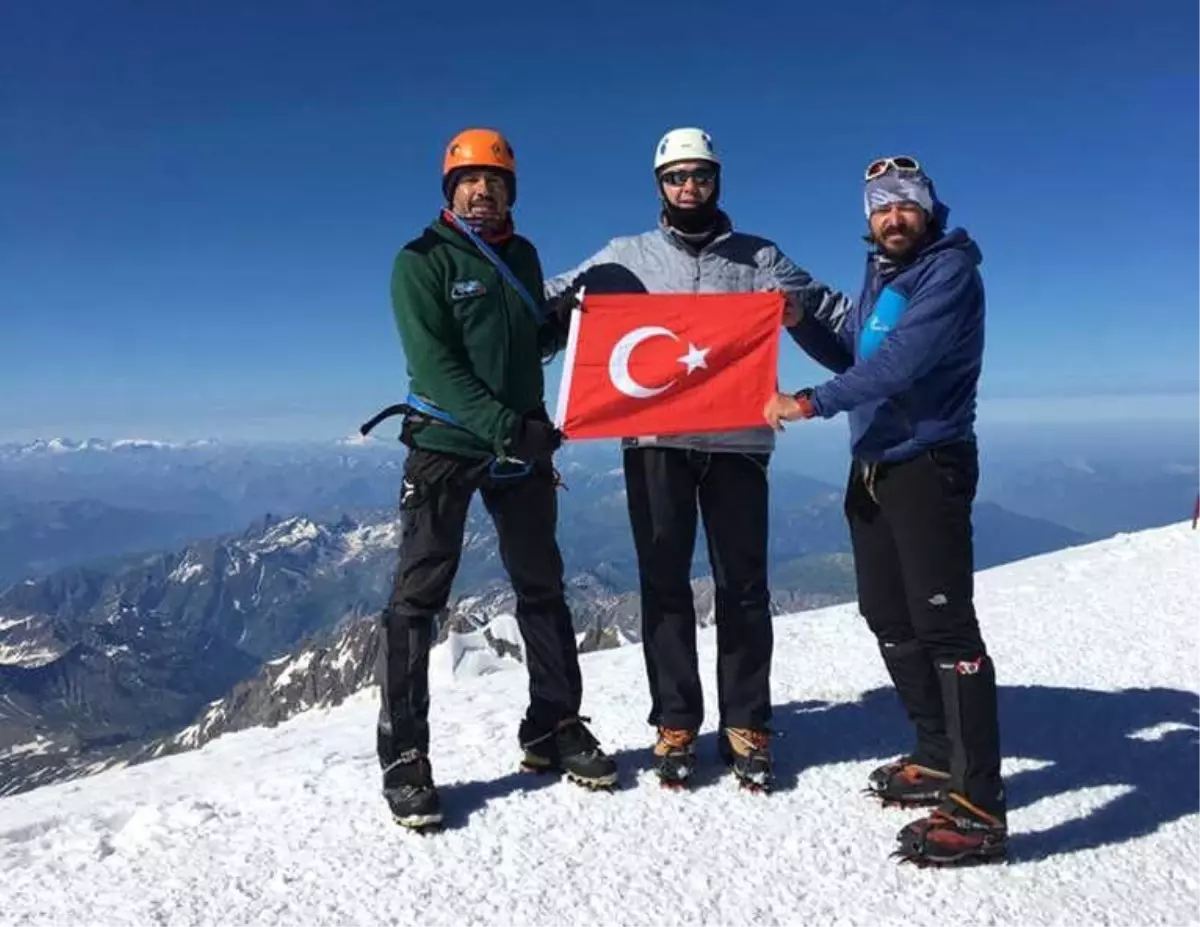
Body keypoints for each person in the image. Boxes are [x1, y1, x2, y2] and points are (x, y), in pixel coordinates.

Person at [543, 127, 852, 792]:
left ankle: (746, 720)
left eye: (701, 176)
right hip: (655, 443)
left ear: (717, 181)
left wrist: (827, 331)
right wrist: (562, 307)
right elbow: (553, 299)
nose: (690, 187)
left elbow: (830, 315)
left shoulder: (759, 257)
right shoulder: (624, 256)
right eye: (677, 177)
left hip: (740, 442)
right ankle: (676, 721)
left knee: (744, 585)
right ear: (660, 185)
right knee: (664, 584)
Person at [364, 128, 618, 832]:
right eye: (469, 181)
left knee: (542, 584)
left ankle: (553, 723)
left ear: (510, 192)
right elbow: (436, 364)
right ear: (451, 192)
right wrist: (511, 429)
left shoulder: (524, 256)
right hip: (448, 444)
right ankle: (405, 755)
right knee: (418, 598)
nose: (483, 190)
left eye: (496, 181)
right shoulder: (421, 262)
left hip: (519, 445)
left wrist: (561, 326)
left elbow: (523, 344)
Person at [764, 155, 1007, 865]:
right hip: (874, 466)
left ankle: (979, 803)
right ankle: (935, 750)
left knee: (945, 627)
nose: (893, 216)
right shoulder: (885, 275)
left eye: (906, 203)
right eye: (880, 206)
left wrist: (805, 402)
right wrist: (802, 319)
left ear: (928, 209)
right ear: (868, 218)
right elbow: (855, 351)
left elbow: (901, 363)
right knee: (887, 613)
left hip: (928, 465)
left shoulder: (948, 272)